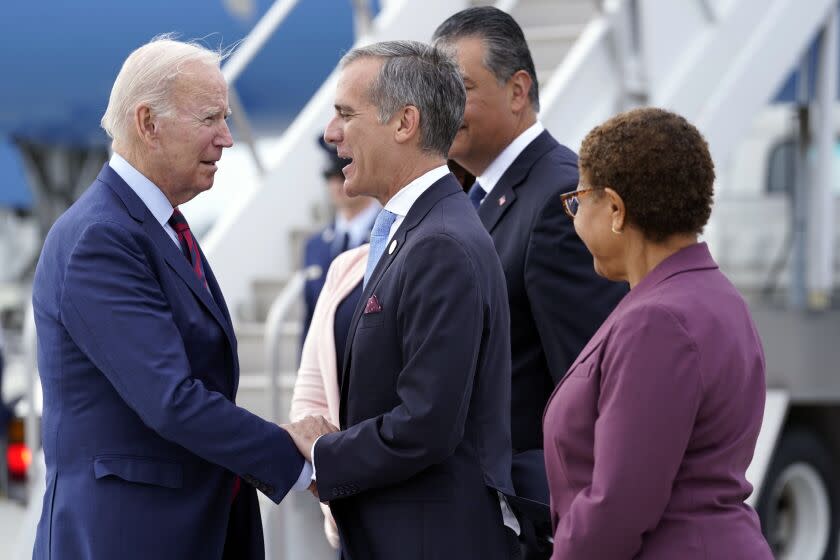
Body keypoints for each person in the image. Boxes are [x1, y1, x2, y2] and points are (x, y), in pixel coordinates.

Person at [31, 36, 332, 560]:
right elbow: (171, 400)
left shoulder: (157, 226)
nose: (228, 139)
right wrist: (299, 460)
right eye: (211, 119)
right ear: (148, 122)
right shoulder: (100, 237)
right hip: (127, 537)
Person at [284, 40, 516, 560]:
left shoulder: (440, 244)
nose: (330, 133)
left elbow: (426, 424)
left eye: (345, 113)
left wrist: (324, 452)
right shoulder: (416, 233)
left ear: (405, 123)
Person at [432, 7, 627, 557]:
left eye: (460, 89)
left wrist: (550, 517)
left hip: (534, 521)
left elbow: (592, 384)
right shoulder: (482, 195)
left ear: (518, 91)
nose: (440, 108)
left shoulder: (558, 200)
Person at [543, 107, 773, 559]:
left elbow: (619, 505)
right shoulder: (713, 293)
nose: (573, 216)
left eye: (578, 199)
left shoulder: (658, 320)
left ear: (614, 207)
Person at [290, 242, 369, 549]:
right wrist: (334, 493)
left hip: (418, 516)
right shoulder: (346, 265)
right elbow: (309, 399)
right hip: (349, 518)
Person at [301, 138, 378, 342]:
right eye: (330, 176)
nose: (337, 184)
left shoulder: (390, 236)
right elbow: (310, 323)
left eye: (343, 172)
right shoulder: (315, 246)